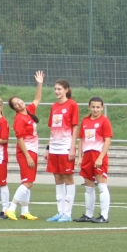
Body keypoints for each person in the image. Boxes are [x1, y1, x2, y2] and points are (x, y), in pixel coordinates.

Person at [3, 71, 44, 221]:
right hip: (26, 151)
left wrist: (39, 83)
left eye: (19, 101)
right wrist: (27, 156)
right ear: (14, 108)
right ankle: (11, 208)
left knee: (27, 181)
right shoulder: (19, 118)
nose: (19, 103)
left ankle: (25, 211)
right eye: (16, 104)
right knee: (28, 182)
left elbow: (37, 98)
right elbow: (19, 139)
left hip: (32, 150)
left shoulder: (29, 111)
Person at [46, 79, 80, 222]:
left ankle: (68, 213)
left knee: (68, 177)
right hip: (54, 146)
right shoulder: (54, 106)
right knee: (57, 177)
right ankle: (60, 211)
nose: (56, 91)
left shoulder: (72, 105)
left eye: (59, 89)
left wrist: (73, 148)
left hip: (66, 145)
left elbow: (74, 127)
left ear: (66, 90)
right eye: (55, 89)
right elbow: (52, 129)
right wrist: (48, 148)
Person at [76, 97, 113, 223]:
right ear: (89, 107)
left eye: (98, 107)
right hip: (87, 156)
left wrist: (101, 157)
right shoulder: (85, 121)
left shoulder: (104, 121)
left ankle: (104, 216)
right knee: (88, 186)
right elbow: (81, 140)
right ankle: (88, 214)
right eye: (93, 107)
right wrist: (80, 157)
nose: (95, 109)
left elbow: (108, 140)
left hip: (98, 155)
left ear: (102, 107)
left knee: (102, 186)